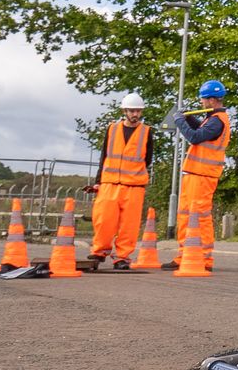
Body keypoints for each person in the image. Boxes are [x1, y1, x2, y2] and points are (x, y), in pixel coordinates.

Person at [163, 80, 230, 272]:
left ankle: (204, 258)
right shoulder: (212, 119)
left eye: (202, 98)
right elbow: (200, 130)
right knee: (186, 215)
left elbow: (194, 137)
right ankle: (185, 254)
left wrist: (179, 121)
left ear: (210, 100)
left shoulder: (218, 120)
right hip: (195, 175)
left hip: (203, 176)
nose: (201, 102)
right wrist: (187, 118)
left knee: (199, 216)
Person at [86, 93, 151, 269]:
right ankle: (99, 252)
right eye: (132, 110)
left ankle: (122, 257)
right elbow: (104, 156)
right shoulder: (112, 129)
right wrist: (98, 181)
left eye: (138, 111)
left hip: (134, 186)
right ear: (124, 111)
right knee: (103, 220)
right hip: (109, 183)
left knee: (129, 225)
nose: (135, 114)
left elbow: (148, 159)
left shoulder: (147, 132)